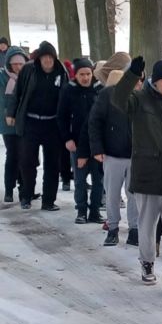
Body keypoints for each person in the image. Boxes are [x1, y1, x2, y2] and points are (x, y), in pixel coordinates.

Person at [112, 57, 162, 296]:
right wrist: (133, 74)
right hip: (147, 176)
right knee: (147, 228)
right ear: (154, 82)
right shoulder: (139, 100)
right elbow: (118, 99)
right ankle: (147, 261)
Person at [7, 41, 70, 211]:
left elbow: (67, 98)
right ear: (40, 58)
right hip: (31, 122)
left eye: (50, 57)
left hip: (52, 123)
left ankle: (48, 201)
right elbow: (17, 92)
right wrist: (11, 113)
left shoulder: (61, 73)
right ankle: (26, 195)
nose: (47, 60)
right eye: (44, 57)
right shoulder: (29, 70)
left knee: (52, 164)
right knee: (27, 161)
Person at [89, 67, 140, 247]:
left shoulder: (139, 97)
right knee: (112, 193)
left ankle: (135, 229)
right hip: (112, 153)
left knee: (134, 194)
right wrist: (97, 148)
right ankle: (112, 228)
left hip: (136, 155)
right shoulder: (107, 95)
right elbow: (95, 121)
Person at [57, 58, 104, 224]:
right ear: (75, 75)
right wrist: (67, 138)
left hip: (97, 143)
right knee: (80, 179)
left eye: (88, 74)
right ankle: (81, 210)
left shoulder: (99, 90)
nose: (85, 78)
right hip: (76, 142)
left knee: (99, 180)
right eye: (81, 74)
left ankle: (95, 210)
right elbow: (61, 117)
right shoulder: (68, 90)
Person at [1, 46, 27, 202]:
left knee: (25, 156)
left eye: (20, 64)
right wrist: (7, 112)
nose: (17, 67)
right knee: (12, 155)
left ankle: (25, 188)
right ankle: (9, 189)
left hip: (24, 123)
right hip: (8, 124)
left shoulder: (28, 76)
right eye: (14, 64)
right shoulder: (2, 78)